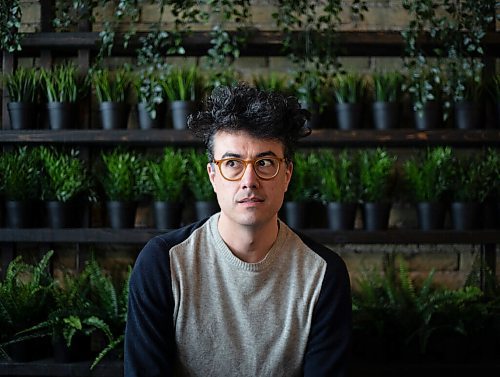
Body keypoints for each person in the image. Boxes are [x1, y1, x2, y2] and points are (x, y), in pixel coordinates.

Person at [124, 83, 352, 377]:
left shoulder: (322, 275)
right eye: (232, 163)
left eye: (265, 162)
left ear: (287, 174)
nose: (249, 180)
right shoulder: (163, 264)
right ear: (213, 176)